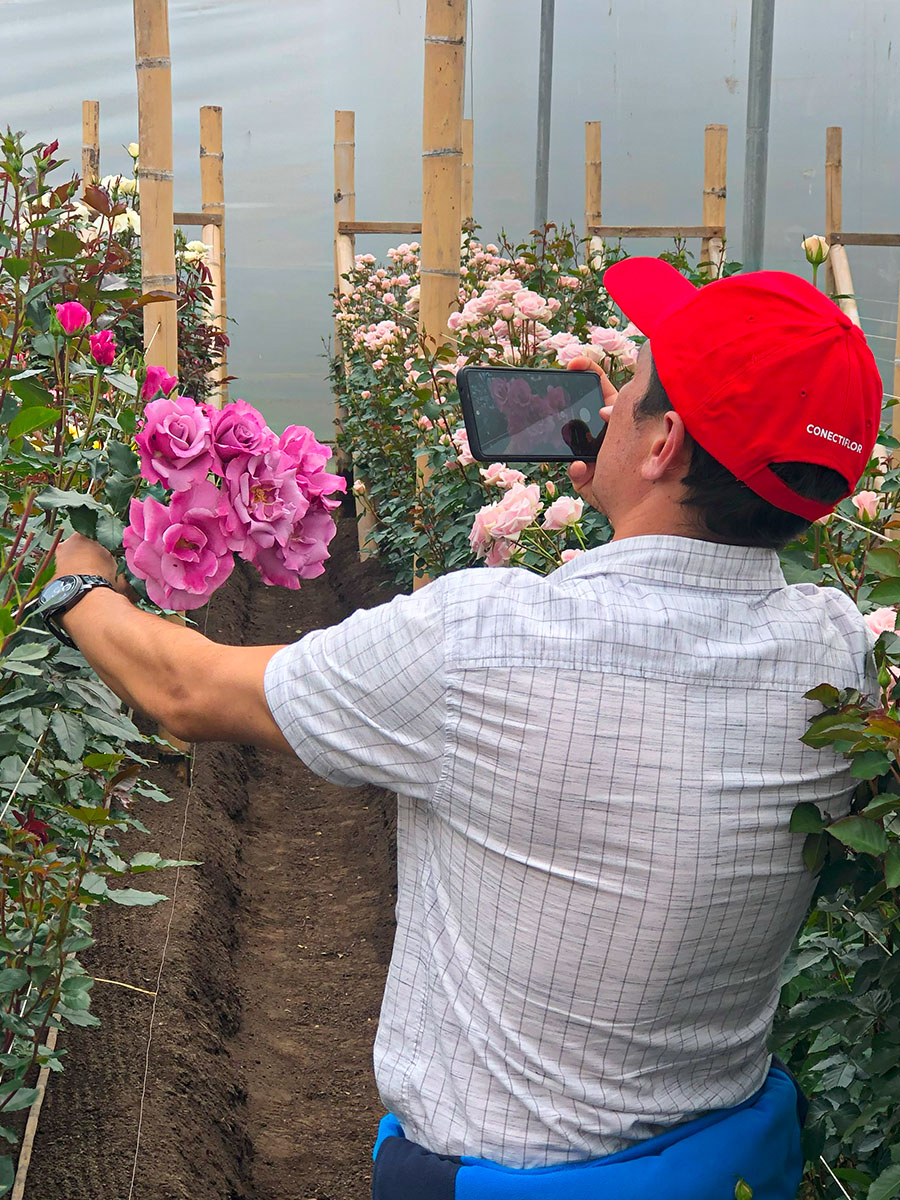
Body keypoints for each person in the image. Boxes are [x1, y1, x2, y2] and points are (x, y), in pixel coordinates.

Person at [39, 258, 883, 1200]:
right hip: (724, 1167)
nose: (607, 402)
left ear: (664, 446)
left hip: (498, 1178)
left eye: (633, 386)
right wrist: (629, 471)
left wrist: (78, 583)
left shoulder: (484, 641)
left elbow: (184, 690)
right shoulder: (836, 653)